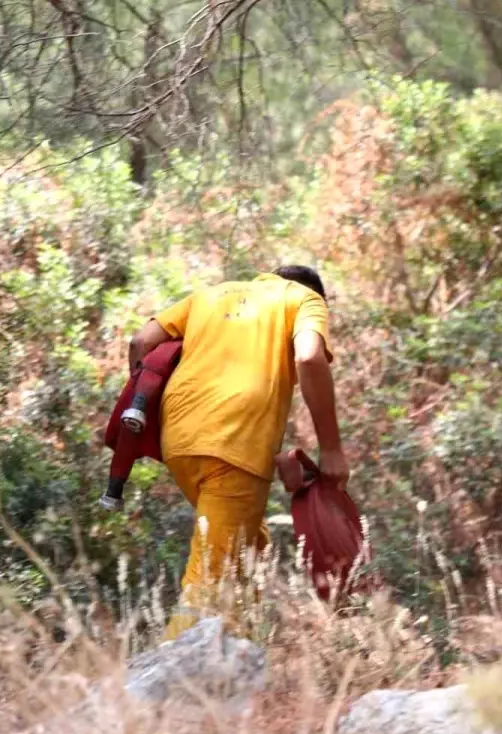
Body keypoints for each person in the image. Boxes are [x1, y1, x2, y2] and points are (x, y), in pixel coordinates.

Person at [128, 266, 348, 635]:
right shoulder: (303, 298)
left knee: (248, 547)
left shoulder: (209, 295)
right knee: (209, 580)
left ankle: (241, 653)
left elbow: (140, 342)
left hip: (179, 438)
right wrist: (331, 449)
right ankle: (166, 679)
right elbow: (309, 358)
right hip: (233, 442)